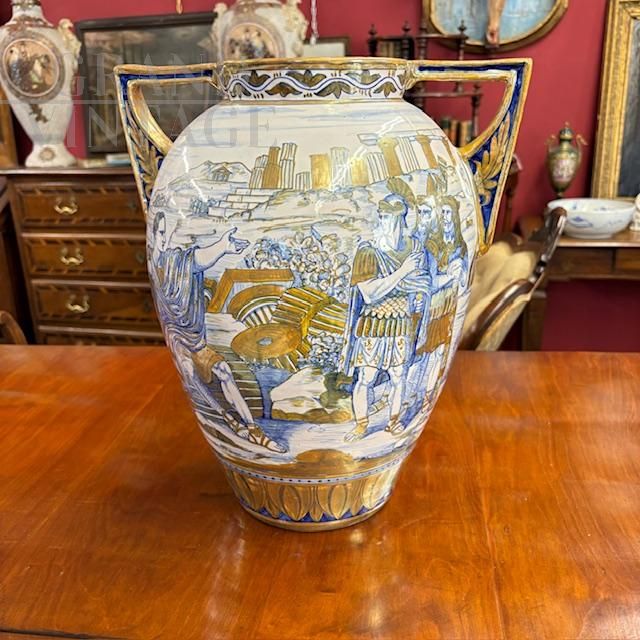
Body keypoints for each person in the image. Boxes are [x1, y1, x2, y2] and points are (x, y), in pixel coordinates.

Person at [150, 211, 287, 453]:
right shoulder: (160, 263)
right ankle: (228, 420)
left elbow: (196, 260)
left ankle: (252, 428)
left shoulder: (174, 261)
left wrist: (222, 247)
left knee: (223, 370)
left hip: (194, 340)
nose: (162, 238)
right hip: (178, 339)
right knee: (190, 373)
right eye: (159, 233)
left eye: (164, 232)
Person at [340, 194, 431, 441]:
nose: (384, 222)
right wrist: (403, 273)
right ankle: (361, 424)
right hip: (374, 321)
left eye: (389, 217)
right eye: (382, 217)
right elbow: (370, 293)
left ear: (401, 219)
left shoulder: (415, 248)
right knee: (366, 376)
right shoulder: (368, 251)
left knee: (399, 375)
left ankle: (393, 421)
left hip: (401, 320)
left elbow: (422, 283)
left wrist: (416, 293)